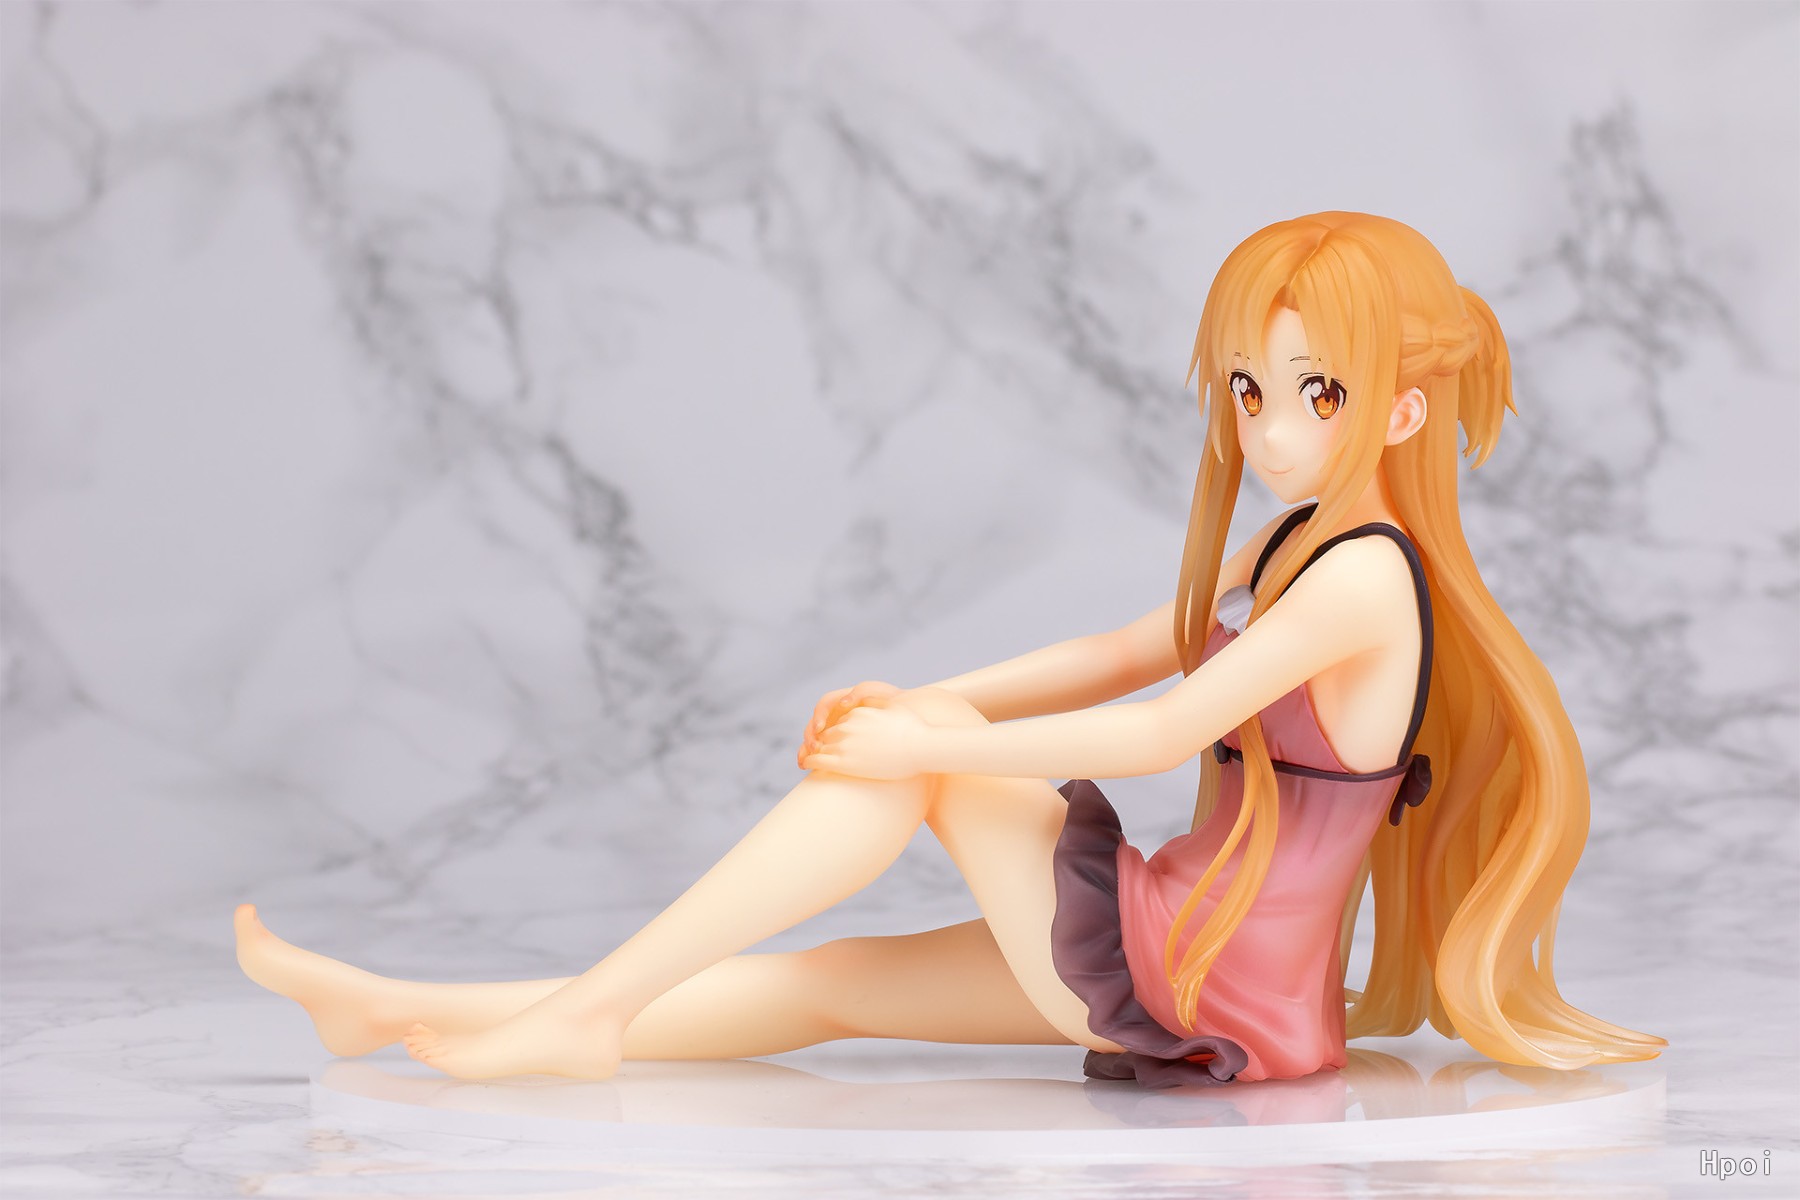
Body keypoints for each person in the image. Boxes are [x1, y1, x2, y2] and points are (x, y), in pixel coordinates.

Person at [235, 211, 1666, 1086]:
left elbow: (1160, 728)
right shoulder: (1298, 543)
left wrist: (933, 741)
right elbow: (1124, 651)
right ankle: (407, 1011)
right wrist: (935, 697)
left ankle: (589, 1014)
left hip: (1205, 972)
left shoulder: (1367, 582)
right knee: (834, 984)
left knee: (910, 780)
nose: (1268, 428)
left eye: (1316, 393)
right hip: (1195, 945)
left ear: (1401, 413)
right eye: (1248, 389)